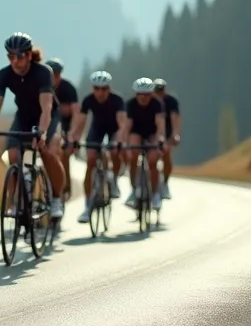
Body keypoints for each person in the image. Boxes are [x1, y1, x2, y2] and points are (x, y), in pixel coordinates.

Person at [0, 32, 67, 220]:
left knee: (47, 153)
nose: (15, 61)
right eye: (10, 56)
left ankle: (56, 199)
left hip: (47, 116)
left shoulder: (43, 72)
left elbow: (46, 107)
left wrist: (43, 133)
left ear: (29, 55)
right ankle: (18, 201)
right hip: (23, 116)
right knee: (13, 155)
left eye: (19, 56)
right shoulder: (4, 74)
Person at [67, 70, 127, 223]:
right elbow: (80, 122)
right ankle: (87, 207)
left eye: (104, 88)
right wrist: (73, 138)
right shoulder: (88, 100)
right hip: (97, 130)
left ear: (109, 88)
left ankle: (113, 179)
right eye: (96, 88)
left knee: (114, 150)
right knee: (91, 161)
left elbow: (122, 124)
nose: (100, 92)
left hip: (114, 129)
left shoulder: (117, 100)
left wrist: (119, 140)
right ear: (93, 88)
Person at [123, 77, 166, 214]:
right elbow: (127, 125)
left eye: (146, 94)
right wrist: (124, 142)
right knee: (133, 155)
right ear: (135, 94)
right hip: (136, 131)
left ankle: (155, 194)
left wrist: (159, 139)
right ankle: (134, 189)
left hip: (152, 133)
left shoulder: (156, 104)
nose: (143, 97)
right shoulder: (130, 104)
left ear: (151, 94)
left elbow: (160, 124)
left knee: (153, 162)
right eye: (139, 94)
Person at [46, 58, 81, 201]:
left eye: (57, 74)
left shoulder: (68, 88)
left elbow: (77, 114)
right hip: (48, 123)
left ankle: (65, 187)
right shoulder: (42, 87)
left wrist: (72, 135)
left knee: (64, 153)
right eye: (52, 74)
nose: (55, 77)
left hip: (66, 125)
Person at [152, 78, 182, 199]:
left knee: (166, 154)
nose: (159, 93)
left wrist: (175, 135)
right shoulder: (150, 100)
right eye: (156, 90)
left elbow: (175, 118)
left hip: (167, 131)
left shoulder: (171, 101)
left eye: (161, 90)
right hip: (152, 130)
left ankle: (165, 183)